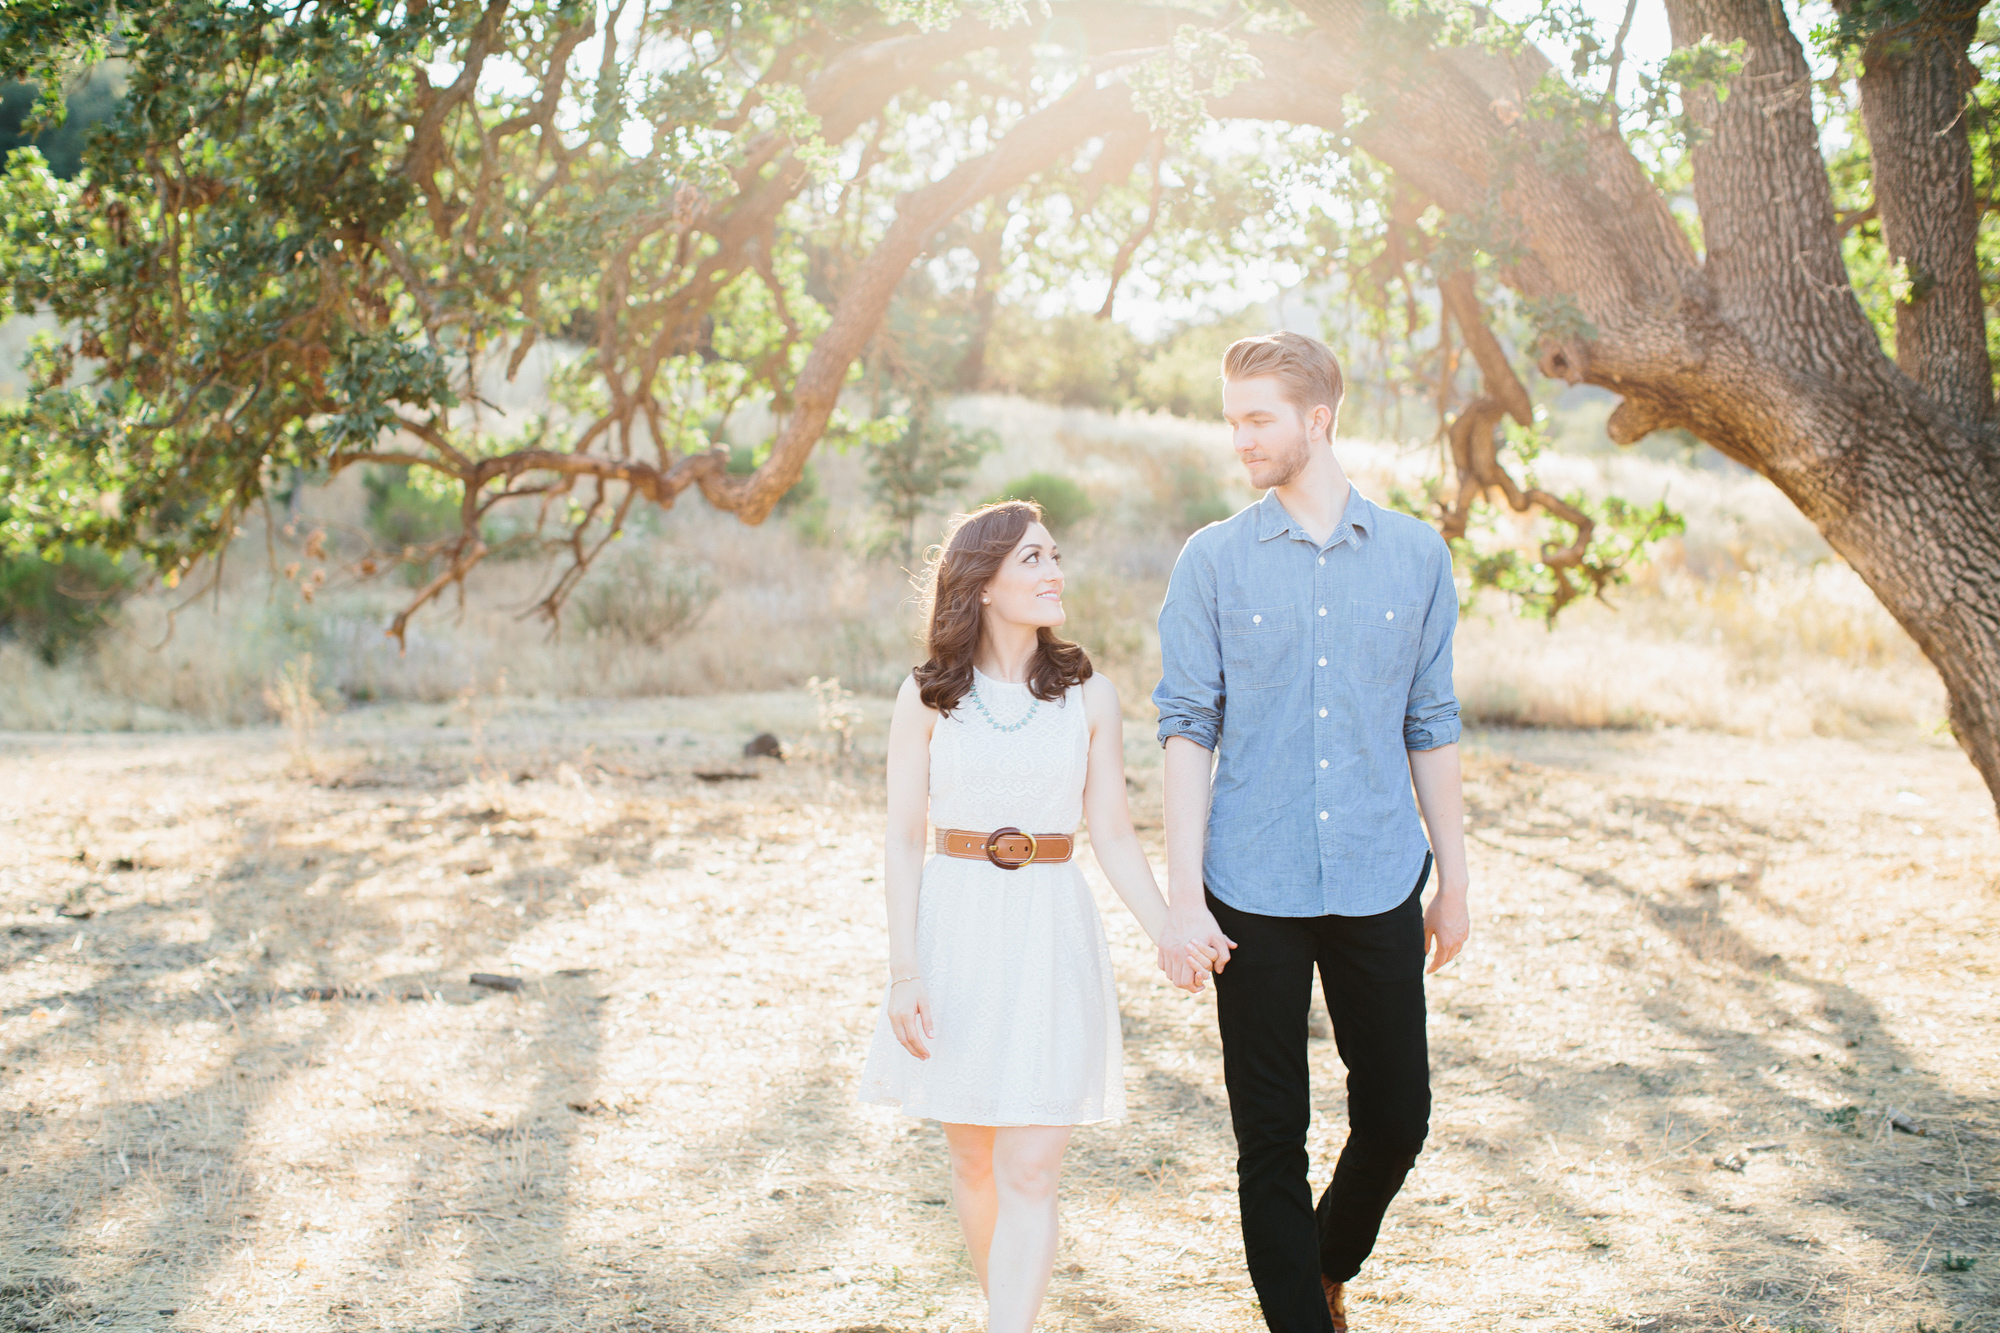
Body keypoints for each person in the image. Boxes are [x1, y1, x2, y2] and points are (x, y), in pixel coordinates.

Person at [1152, 330, 1471, 1333]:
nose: (1238, 438)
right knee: (1268, 1137)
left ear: (1316, 420)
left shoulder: (1416, 555)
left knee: (1395, 1115)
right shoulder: (1209, 561)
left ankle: (1325, 1261)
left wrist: (1453, 879)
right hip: (1250, 880)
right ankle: (1298, 1316)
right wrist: (1180, 892)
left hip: (1380, 876)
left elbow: (1430, 723)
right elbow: (1185, 726)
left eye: (1258, 419)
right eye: (1231, 418)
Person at [857, 500, 1197, 1333]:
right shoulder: (928, 696)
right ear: (984, 583)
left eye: (1054, 555)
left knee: (1032, 1167)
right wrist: (905, 971)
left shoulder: (1089, 696)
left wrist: (1168, 929)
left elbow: (1112, 832)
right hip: (956, 928)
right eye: (1033, 559)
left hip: (1051, 929)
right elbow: (903, 840)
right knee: (975, 1161)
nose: (1054, 573)